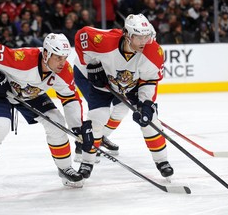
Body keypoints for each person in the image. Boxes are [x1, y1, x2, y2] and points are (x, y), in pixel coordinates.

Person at [0, 33, 94, 198]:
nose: (62, 62)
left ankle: (65, 168)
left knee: (56, 122)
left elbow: (71, 98)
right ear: (46, 54)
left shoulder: (64, 71)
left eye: (64, 57)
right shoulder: (22, 59)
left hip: (30, 94)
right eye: (58, 57)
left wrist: (77, 129)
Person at [74, 13, 174, 180]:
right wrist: (92, 64)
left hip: (131, 87)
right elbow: (81, 36)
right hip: (103, 84)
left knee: (150, 119)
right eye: (139, 37)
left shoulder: (153, 51)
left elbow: (149, 80)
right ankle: (87, 162)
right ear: (127, 34)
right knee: (97, 118)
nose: (144, 42)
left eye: (147, 36)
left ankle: (162, 161)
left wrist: (146, 103)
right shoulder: (105, 41)